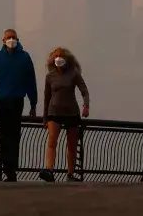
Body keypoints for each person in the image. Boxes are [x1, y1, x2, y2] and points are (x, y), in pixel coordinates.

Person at [0, 28, 38, 182]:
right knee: (5, 134)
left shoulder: (25, 58)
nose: (11, 40)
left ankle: (11, 169)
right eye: (9, 37)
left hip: (17, 100)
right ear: (3, 41)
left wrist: (33, 103)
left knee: (14, 135)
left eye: (14, 37)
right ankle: (5, 168)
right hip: (0, 101)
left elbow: (31, 81)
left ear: (18, 39)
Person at [39, 47, 90, 183]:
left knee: (72, 145)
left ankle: (70, 173)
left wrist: (86, 106)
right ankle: (49, 170)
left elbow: (84, 91)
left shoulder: (73, 74)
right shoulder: (50, 76)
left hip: (71, 112)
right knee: (52, 141)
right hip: (53, 112)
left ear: (67, 59)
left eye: (61, 56)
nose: (58, 59)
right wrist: (45, 118)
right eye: (56, 56)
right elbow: (46, 97)